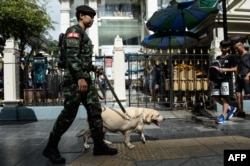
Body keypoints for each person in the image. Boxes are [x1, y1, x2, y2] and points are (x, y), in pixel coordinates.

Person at [43, 5, 117, 165]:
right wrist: (80, 78)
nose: (92, 19)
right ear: (82, 15)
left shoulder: (83, 33)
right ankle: (51, 147)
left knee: (95, 110)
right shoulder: (74, 31)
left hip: (84, 79)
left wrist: (92, 68)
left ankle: (99, 145)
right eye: (90, 16)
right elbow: (72, 57)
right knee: (69, 114)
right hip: (75, 81)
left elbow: (82, 59)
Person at [208, 40, 237, 124]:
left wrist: (225, 69)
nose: (222, 49)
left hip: (226, 80)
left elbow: (236, 68)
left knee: (225, 98)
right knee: (214, 96)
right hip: (218, 80)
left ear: (229, 48)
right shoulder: (218, 58)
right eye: (221, 47)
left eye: (225, 47)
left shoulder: (231, 57)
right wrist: (209, 79)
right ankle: (230, 108)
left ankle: (223, 115)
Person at [233, 40, 249, 118]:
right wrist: (236, 79)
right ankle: (241, 111)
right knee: (238, 94)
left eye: (237, 47)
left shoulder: (249, 55)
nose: (237, 49)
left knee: (248, 94)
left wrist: (248, 75)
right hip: (239, 77)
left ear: (242, 46)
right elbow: (237, 68)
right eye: (235, 48)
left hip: (247, 76)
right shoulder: (238, 57)